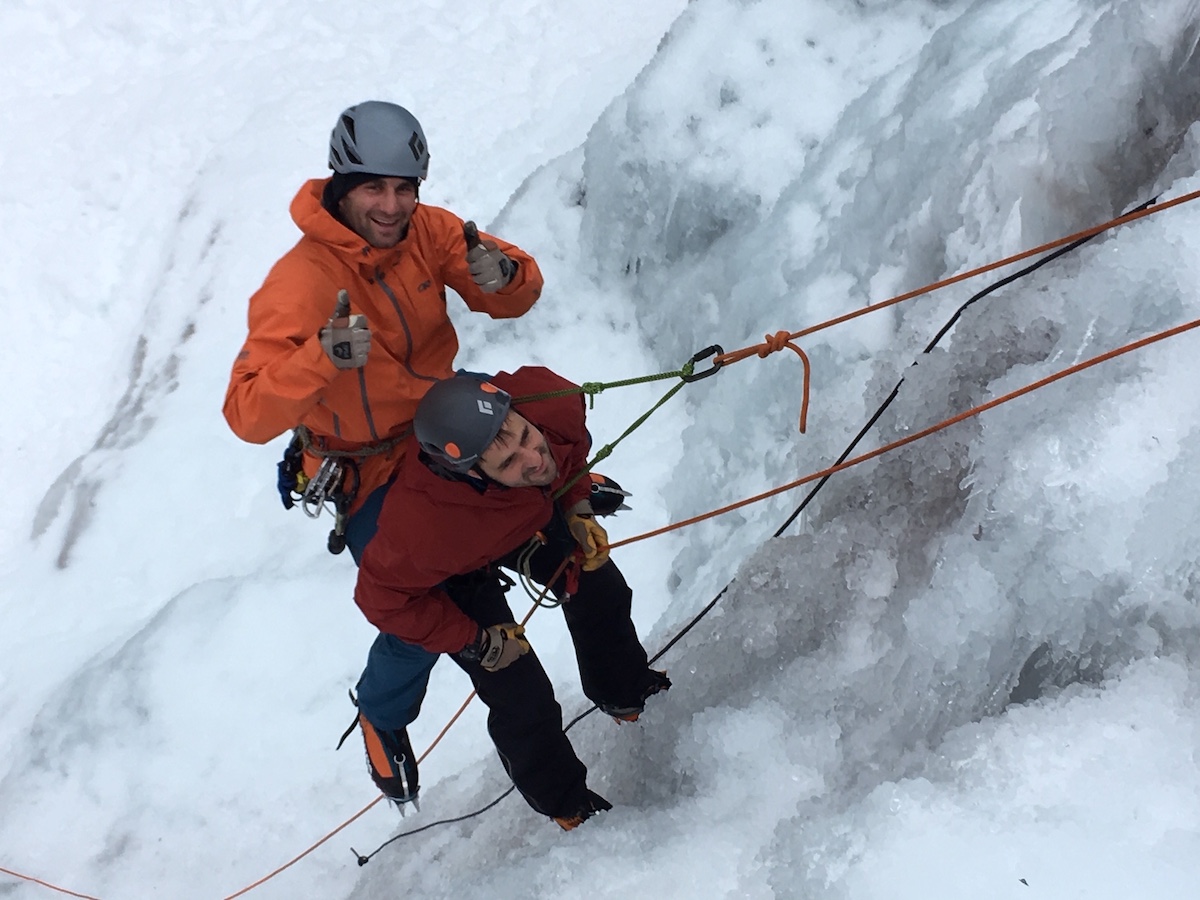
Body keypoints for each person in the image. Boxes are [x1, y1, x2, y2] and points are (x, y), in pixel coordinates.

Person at [351, 366, 670, 830]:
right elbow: (382, 601)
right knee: (521, 691)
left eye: (524, 435)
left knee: (598, 582)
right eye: (508, 462)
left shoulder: (551, 401)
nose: (533, 458)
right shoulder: (421, 529)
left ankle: (625, 690)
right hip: (456, 565)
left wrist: (576, 502)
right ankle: (566, 805)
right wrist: (473, 639)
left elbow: (568, 450)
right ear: (471, 474)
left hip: (521, 513)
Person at [223, 100, 544, 557]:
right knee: (418, 590)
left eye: (403, 188)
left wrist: (508, 276)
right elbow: (246, 413)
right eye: (373, 188)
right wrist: (322, 358)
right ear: (342, 186)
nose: (391, 207)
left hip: (441, 418)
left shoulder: (427, 229)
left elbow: (516, 297)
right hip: (368, 468)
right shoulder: (299, 283)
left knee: (549, 463)